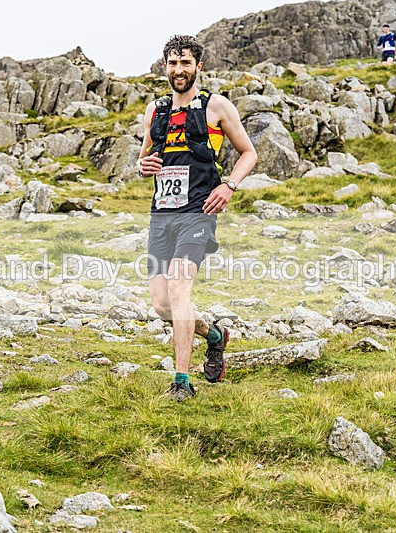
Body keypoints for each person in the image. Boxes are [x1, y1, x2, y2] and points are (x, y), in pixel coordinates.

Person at [138, 35, 257, 401]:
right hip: (162, 216)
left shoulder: (216, 106)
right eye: (173, 64)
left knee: (178, 287)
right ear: (165, 67)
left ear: (198, 67)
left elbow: (249, 153)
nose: (179, 70)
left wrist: (229, 186)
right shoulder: (154, 111)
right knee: (162, 306)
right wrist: (143, 167)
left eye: (185, 63)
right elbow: (143, 160)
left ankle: (181, 382)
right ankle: (215, 336)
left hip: (199, 213)